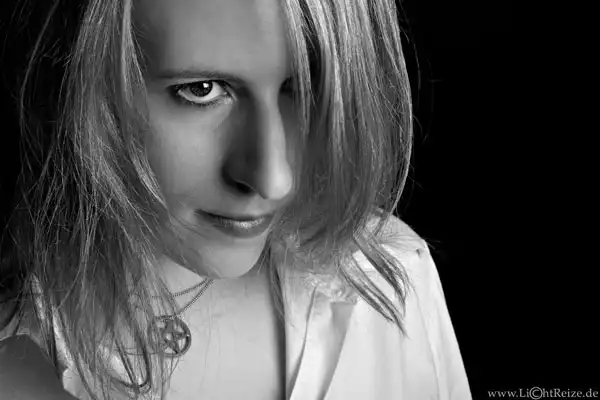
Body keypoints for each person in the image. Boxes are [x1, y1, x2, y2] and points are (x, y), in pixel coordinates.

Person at [0, 0, 472, 398]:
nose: (274, 180)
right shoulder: (18, 340)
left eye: (304, 86)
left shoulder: (392, 276)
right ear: (78, 75)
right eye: (201, 90)